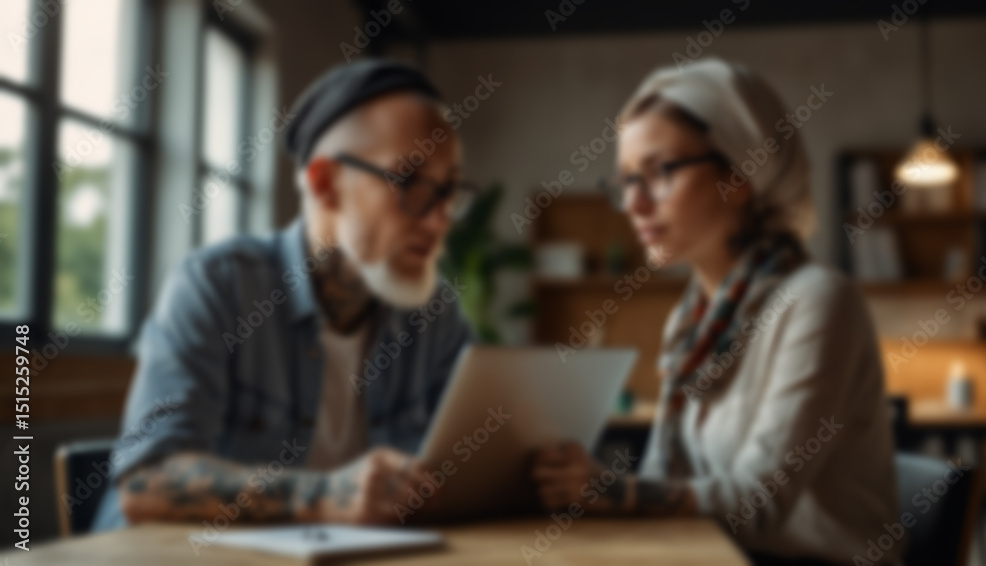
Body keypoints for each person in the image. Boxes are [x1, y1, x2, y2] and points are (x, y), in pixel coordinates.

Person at [530, 59, 900, 566]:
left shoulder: (817, 302)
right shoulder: (690, 322)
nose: (634, 204)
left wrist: (614, 491)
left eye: (659, 173)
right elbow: (665, 477)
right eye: (625, 182)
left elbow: (758, 507)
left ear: (739, 175)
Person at [93, 59, 477, 530]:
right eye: (410, 181)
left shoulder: (436, 318)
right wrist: (325, 495)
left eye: (450, 191)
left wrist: (562, 476)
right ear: (324, 184)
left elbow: (476, 464)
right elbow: (146, 483)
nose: (440, 220)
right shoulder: (218, 285)